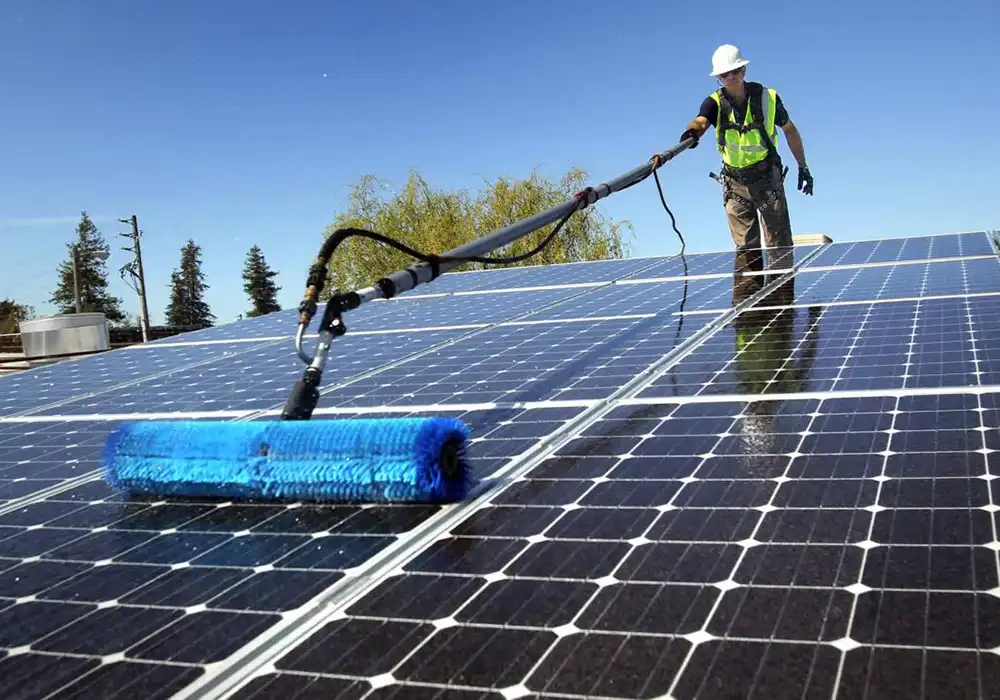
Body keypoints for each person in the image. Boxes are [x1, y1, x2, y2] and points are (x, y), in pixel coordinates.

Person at [679, 45, 813, 272]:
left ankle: (782, 304)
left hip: (768, 181)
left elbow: (790, 130)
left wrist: (803, 166)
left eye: (736, 71)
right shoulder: (713, 103)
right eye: (724, 75)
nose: (731, 77)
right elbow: (701, 121)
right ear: (718, 78)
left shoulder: (768, 98)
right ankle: (749, 306)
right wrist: (692, 133)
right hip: (735, 185)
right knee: (746, 252)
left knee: (779, 247)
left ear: (744, 70)